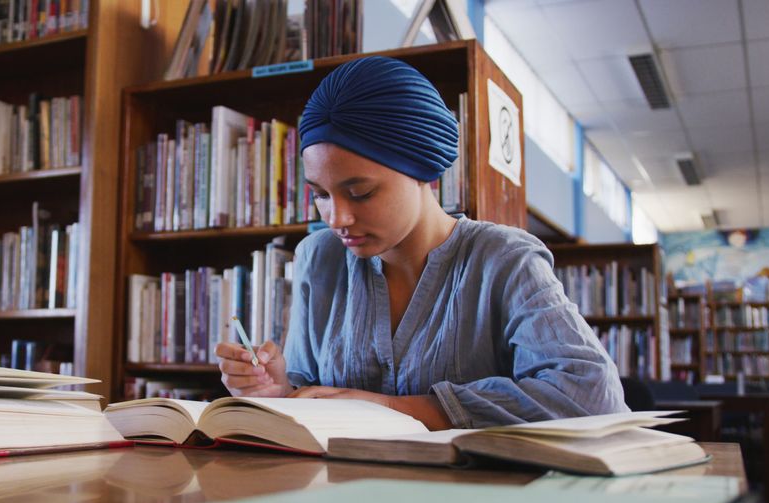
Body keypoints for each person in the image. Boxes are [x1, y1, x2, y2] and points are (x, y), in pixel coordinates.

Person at [215, 56, 628, 430]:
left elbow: (592, 394)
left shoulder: (504, 259)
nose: (336, 219)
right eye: (320, 194)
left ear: (423, 172)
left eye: (359, 193)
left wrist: (392, 409)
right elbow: (312, 395)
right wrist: (279, 390)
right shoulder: (318, 257)